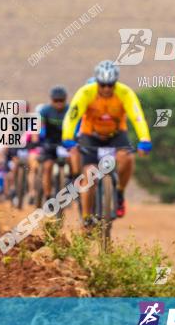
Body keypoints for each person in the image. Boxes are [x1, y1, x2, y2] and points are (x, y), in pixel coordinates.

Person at [62, 60, 151, 223]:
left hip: (116, 134)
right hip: (91, 136)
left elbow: (137, 117)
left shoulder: (124, 93)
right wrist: (67, 137)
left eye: (110, 85)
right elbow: (72, 116)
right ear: (97, 82)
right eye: (103, 85)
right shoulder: (86, 92)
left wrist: (145, 138)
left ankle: (119, 193)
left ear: (115, 83)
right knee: (89, 175)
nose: (106, 89)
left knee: (128, 158)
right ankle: (86, 218)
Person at [32, 86, 69, 203]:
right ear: (51, 100)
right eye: (56, 100)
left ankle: (72, 185)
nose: (58, 103)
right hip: (49, 144)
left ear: (65, 99)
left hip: (65, 143)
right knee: (47, 167)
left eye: (61, 100)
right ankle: (48, 196)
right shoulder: (45, 111)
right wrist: (36, 138)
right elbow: (38, 128)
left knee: (75, 163)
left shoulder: (70, 110)